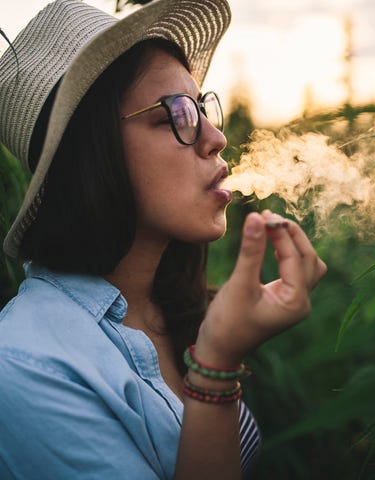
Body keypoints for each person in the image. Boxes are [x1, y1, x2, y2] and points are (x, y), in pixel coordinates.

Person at [0, 0, 327, 478]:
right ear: (93, 154)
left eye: (202, 107)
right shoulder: (27, 366)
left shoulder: (172, 309)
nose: (216, 137)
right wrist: (216, 365)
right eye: (176, 113)